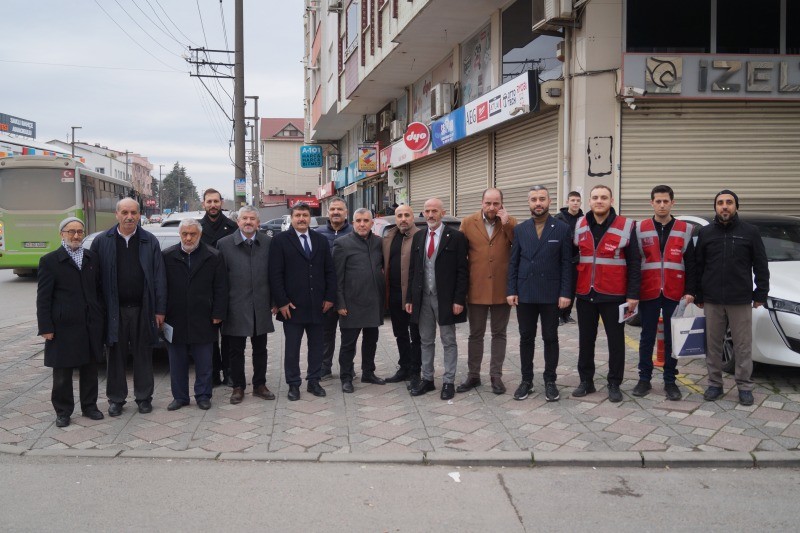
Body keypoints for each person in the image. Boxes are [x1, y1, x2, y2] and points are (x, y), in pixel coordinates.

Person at [91, 198, 167, 417]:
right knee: (115, 355)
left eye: (133, 212)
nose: (129, 217)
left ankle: (144, 398)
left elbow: (159, 278)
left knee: (143, 354)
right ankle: (116, 399)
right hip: (113, 310)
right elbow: (94, 280)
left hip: (143, 308)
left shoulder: (149, 241)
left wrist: (159, 310)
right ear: (117, 214)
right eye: (124, 212)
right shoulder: (102, 241)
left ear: (139, 214)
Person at [695, 190, 769, 406]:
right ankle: (714, 384)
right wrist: (699, 293)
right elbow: (699, 265)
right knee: (713, 345)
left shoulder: (750, 232)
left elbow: (761, 265)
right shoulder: (706, 233)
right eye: (720, 203)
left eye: (729, 202)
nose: (724, 206)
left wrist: (761, 293)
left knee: (743, 345)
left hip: (740, 298)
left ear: (737, 206)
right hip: (712, 299)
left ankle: (744, 386)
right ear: (715, 207)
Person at [572, 185, 640, 403]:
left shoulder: (626, 226)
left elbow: (634, 263)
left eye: (603, 197)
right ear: (589, 202)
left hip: (614, 294)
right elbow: (574, 258)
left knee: (616, 342)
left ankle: (614, 383)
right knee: (586, 340)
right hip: (585, 293)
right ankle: (586, 381)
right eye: (595, 197)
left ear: (611, 200)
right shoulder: (580, 224)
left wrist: (632, 295)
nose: (599, 201)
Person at [36, 217, 105, 427]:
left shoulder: (92, 258)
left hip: (89, 324)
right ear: (62, 234)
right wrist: (45, 327)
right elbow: (43, 298)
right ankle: (63, 411)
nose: (76, 236)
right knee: (63, 373)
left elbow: (99, 291)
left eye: (79, 232)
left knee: (90, 369)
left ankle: (89, 406)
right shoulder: (50, 261)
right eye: (71, 231)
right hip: (63, 326)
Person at [506, 186, 573, 402]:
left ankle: (550, 381)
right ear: (529, 203)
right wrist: (511, 290)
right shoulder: (521, 229)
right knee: (526, 338)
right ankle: (526, 381)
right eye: (534, 199)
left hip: (551, 293)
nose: (538, 203)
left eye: (542, 199)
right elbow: (514, 261)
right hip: (525, 293)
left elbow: (566, 264)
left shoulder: (561, 228)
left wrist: (565, 293)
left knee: (550, 337)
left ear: (549, 201)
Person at [633, 185, 696, 401]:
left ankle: (670, 381)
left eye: (665, 201)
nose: (661, 205)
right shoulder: (639, 228)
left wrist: (690, 291)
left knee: (672, 339)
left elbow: (691, 263)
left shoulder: (685, 229)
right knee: (646, 337)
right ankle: (644, 379)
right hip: (648, 291)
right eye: (657, 201)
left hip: (674, 292)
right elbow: (634, 262)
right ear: (651, 203)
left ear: (672, 203)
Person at [269, 203, 337, 401]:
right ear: (291, 217)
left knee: (317, 346)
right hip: (292, 307)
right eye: (297, 215)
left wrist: (330, 297)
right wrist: (281, 302)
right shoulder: (280, 241)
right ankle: (293, 384)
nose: (301, 219)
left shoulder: (320, 240)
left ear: (310, 218)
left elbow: (329, 271)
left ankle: (314, 381)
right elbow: (275, 274)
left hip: (318, 305)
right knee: (292, 348)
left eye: (305, 215)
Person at [405, 198, 469, 400]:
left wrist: (459, 299)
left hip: (446, 299)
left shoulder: (456, 237)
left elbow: (462, 271)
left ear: (442, 213)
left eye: (434, 211)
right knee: (425, 340)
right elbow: (414, 270)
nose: (430, 215)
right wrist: (410, 298)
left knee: (448, 340)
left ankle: (449, 381)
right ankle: (428, 379)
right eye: (426, 211)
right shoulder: (419, 236)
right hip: (423, 298)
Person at [162, 219, 228, 411]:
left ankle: (203, 395)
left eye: (193, 234)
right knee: (177, 362)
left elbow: (221, 287)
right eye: (185, 234)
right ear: (180, 235)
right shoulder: (167, 256)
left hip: (204, 317)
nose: (189, 238)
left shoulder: (213, 256)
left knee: (204, 362)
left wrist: (218, 312)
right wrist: (161, 312)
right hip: (175, 317)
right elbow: (162, 287)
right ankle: (180, 397)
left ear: (200, 235)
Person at [457, 188, 516, 395]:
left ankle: (496, 376)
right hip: (477, 287)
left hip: (502, 288)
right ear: (481, 203)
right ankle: (473, 375)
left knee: (499, 334)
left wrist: (508, 223)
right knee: (475, 334)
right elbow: (460, 256)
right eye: (488, 203)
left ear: (502, 204)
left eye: (496, 204)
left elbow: (517, 247)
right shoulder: (467, 222)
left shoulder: (510, 222)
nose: (492, 207)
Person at [216, 206, 276, 404]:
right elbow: (220, 280)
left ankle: (259, 384)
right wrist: (221, 308)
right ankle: (238, 387)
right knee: (235, 350)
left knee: (261, 348)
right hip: (235, 306)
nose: (248, 222)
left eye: (252, 219)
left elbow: (275, 275)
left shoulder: (268, 243)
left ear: (258, 223)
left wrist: (274, 301)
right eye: (244, 219)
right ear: (238, 222)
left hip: (260, 304)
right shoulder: (224, 244)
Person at [332, 208, 387, 393]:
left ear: (372, 223)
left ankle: (368, 372)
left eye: (366, 220)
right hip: (351, 304)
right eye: (358, 221)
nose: (362, 224)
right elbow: (336, 277)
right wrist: (339, 303)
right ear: (353, 222)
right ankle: (346, 377)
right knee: (348, 344)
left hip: (374, 301)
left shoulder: (379, 243)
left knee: (371, 340)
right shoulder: (342, 244)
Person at [199, 188, 237, 387]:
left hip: (228, 287)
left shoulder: (232, 227)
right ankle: (213, 373)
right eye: (209, 202)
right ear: (203, 204)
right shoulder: (197, 228)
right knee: (210, 336)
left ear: (221, 203)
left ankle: (230, 372)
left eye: (216, 201)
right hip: (205, 290)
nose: (213, 205)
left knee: (229, 335)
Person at [382, 204, 422, 390]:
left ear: (413, 217)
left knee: (416, 335)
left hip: (414, 297)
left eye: (407, 215)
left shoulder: (420, 236)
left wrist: (413, 297)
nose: (403, 219)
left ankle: (416, 372)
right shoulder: (389, 237)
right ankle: (404, 367)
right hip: (395, 295)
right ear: (395, 218)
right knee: (400, 334)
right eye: (400, 215)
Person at [314, 196, 353, 380]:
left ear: (346, 213)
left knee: (349, 335)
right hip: (326, 294)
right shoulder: (318, 234)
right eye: (332, 209)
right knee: (325, 333)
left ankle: (347, 367)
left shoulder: (355, 232)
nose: (336, 212)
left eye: (340, 209)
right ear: (327, 213)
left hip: (349, 295)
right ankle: (324, 366)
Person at [553, 190, 583, 325]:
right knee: (560, 287)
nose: (575, 203)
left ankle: (567, 314)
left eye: (577, 201)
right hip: (560, 259)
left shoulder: (584, 219)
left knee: (572, 288)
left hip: (576, 259)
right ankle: (558, 315)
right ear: (567, 202)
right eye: (573, 200)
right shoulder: (558, 218)